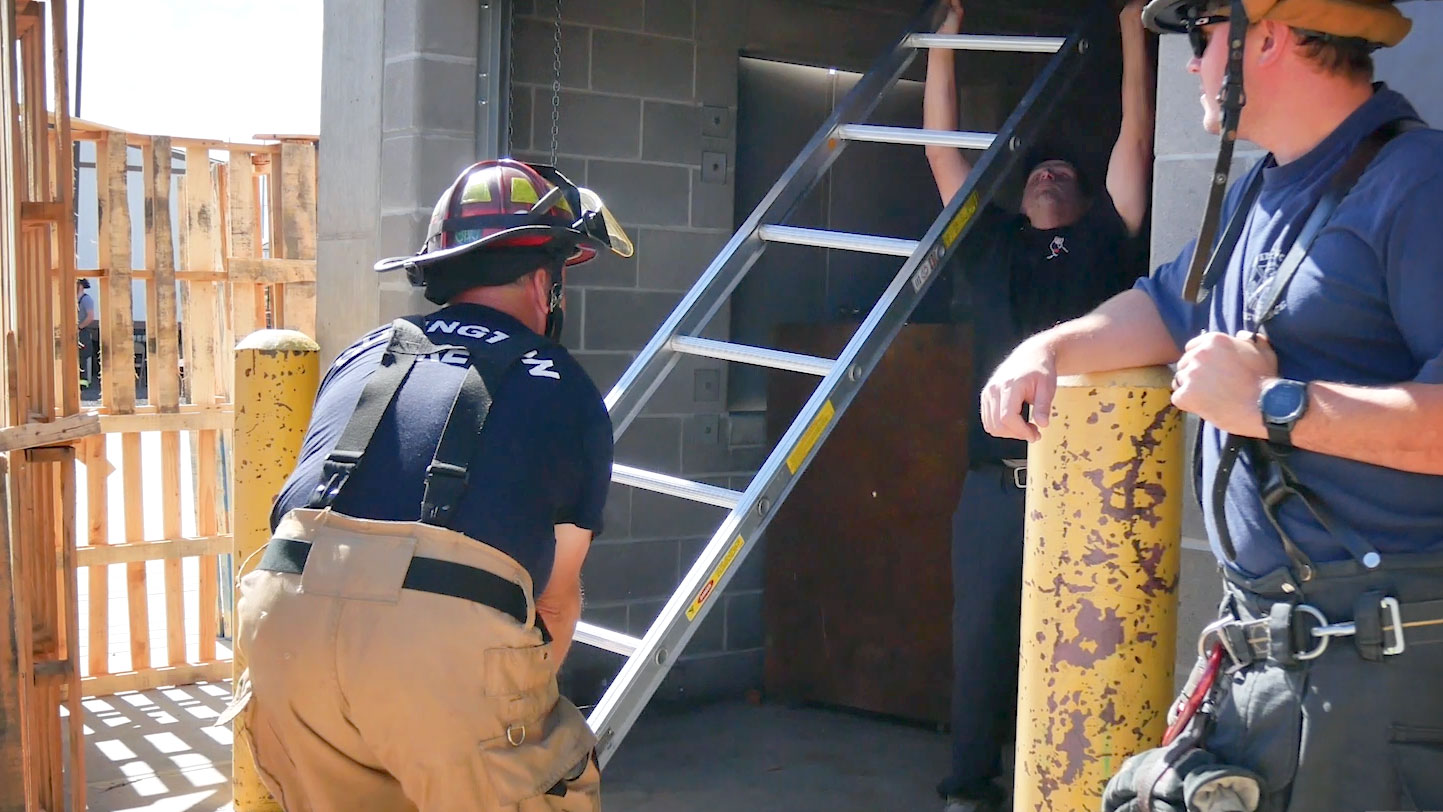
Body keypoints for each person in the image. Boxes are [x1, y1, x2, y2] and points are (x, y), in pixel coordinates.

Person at [977, 0, 1443, 809]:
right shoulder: (1263, 187)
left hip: (1374, 671)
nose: (1190, 63)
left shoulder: (1419, 185)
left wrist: (1274, 405)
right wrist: (1045, 349)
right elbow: (1164, 308)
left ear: (1272, 36)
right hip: (1262, 655)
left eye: (1202, 36)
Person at [223, 159, 632, 811]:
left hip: (280, 621)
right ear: (542, 281)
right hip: (439, 641)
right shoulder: (566, 388)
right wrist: (492, 723)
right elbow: (553, 607)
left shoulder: (364, 353)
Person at [924, 2, 1156, 809]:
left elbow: (1136, 136)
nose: (1046, 174)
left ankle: (1076, 787)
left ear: (1084, 193)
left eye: (1061, 172)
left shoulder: (1105, 240)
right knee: (981, 641)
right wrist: (941, 42)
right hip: (996, 485)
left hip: (1088, 487)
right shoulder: (989, 246)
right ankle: (967, 788)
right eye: (1034, 172)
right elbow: (940, 151)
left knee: (1084, 647)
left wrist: (1134, 25)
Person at [77, 279, 98, 390]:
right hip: (74, 331)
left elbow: (90, 317)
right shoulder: (74, 299)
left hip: (82, 331)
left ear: (80, 285)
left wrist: (79, 327)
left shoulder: (86, 300)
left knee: (82, 357)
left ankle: (83, 383)